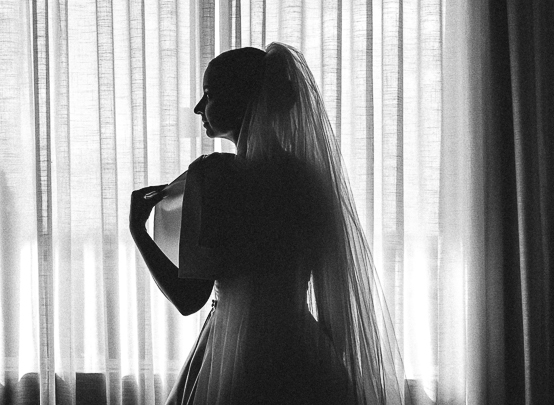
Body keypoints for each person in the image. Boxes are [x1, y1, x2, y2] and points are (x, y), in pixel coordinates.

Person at [129, 43, 404, 405]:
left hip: (233, 354)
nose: (198, 107)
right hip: (301, 350)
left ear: (242, 99)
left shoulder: (216, 177)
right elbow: (332, 291)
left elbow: (189, 299)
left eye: (209, 94)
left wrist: (139, 231)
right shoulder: (308, 179)